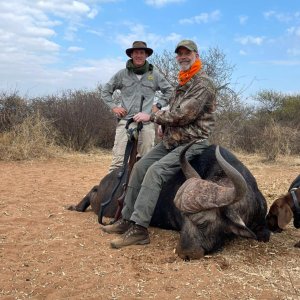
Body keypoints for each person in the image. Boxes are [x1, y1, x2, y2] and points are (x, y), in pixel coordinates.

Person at [102, 40, 217, 248]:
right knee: (139, 166)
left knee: (155, 172)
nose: (183, 57)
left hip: (192, 142)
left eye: (187, 53)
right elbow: (173, 109)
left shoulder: (203, 83)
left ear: (196, 55)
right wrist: (165, 122)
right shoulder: (183, 81)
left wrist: (153, 117)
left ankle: (139, 229)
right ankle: (126, 219)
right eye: (180, 54)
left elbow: (184, 114)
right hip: (172, 139)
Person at [102, 41, 173, 172]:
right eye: (136, 52)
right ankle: (114, 192)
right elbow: (105, 91)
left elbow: (170, 91)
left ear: (146, 55)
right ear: (131, 55)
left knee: (146, 162)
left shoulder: (154, 75)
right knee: (117, 163)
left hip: (146, 124)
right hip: (125, 122)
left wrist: (158, 105)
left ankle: (139, 191)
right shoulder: (122, 74)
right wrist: (114, 107)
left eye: (142, 52)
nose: (139, 55)